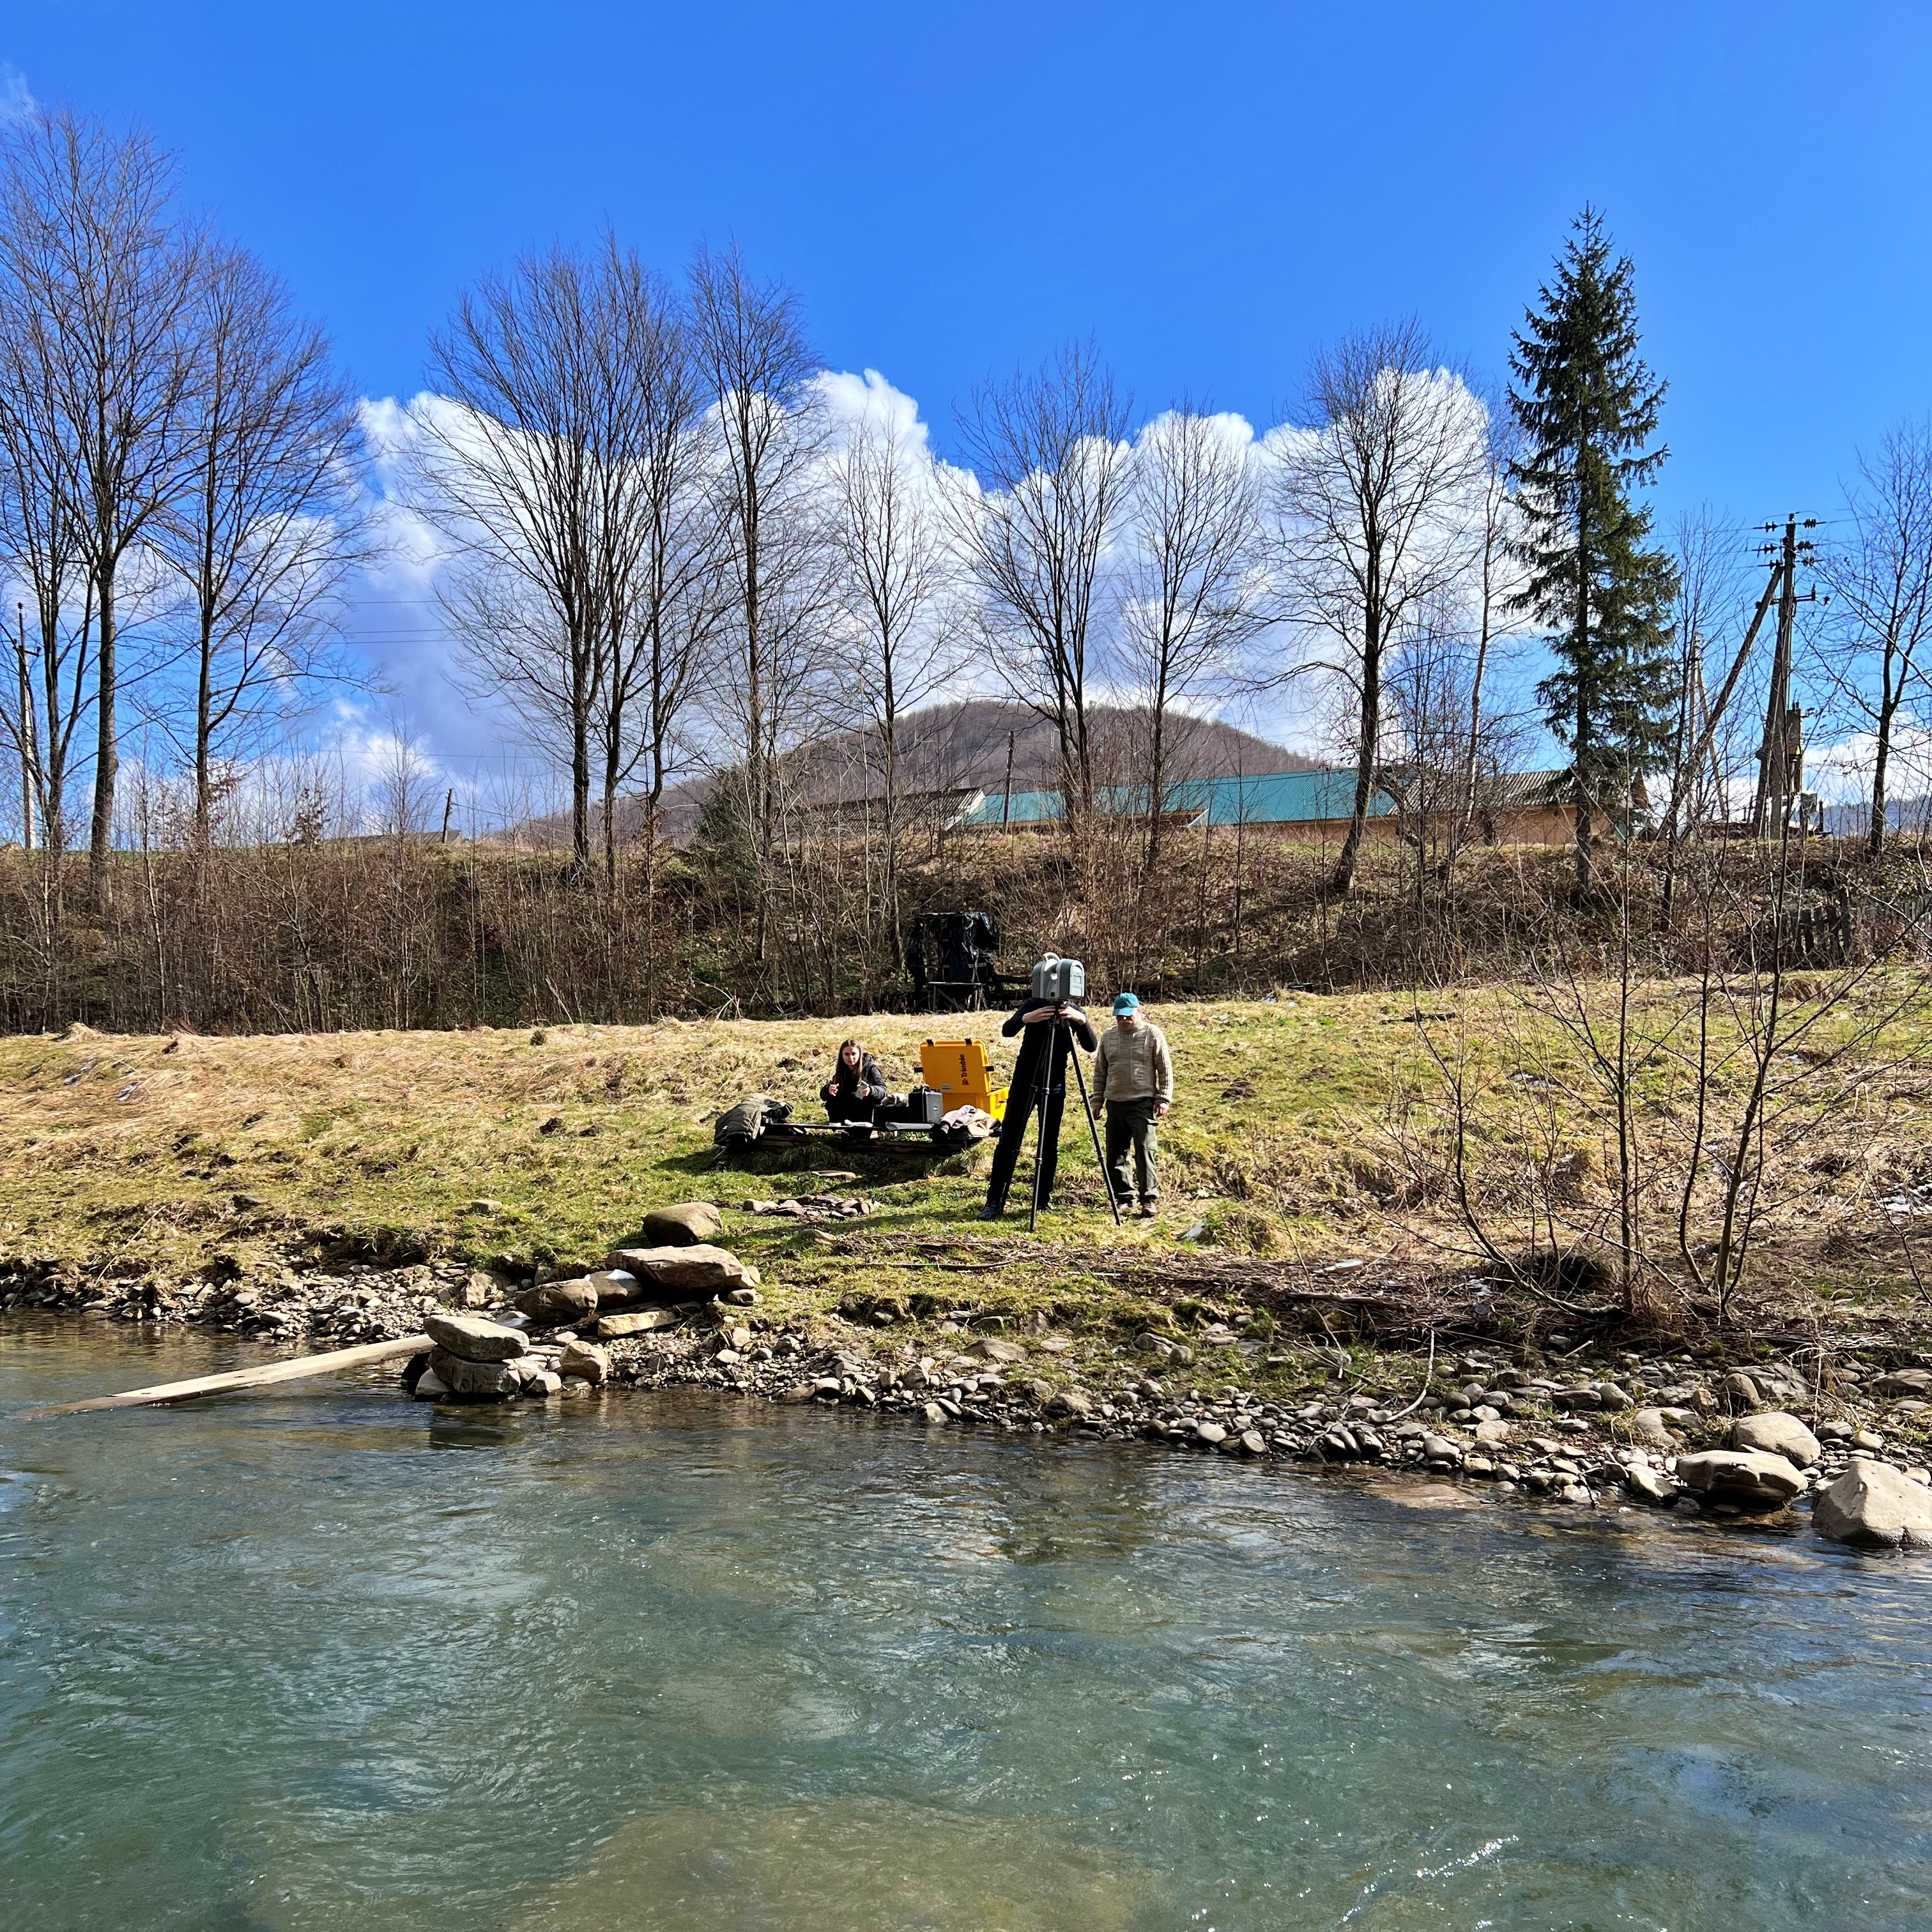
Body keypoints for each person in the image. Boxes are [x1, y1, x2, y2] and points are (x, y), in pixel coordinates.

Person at [980, 979, 1097, 1218]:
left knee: (1048, 1144)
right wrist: (1026, 1018)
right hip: (1025, 1082)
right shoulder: (1033, 1003)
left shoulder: (1072, 1009)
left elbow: (1091, 1046)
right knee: (1009, 1141)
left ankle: (1042, 1201)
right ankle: (994, 1202)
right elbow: (1007, 1030)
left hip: (1054, 1084)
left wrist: (1080, 1020)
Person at [1091, 992, 1173, 1218]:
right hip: (1115, 1103)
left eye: (1128, 1016)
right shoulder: (1108, 1037)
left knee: (1145, 1151)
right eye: (1120, 1017)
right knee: (1116, 1155)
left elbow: (1165, 1068)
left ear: (1139, 1011)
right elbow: (1101, 1071)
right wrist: (1097, 1100)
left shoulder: (1152, 1034)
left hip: (1142, 1103)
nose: (1124, 1020)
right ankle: (1125, 1198)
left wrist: (1163, 1098)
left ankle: (1149, 1199)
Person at [822, 1039, 887, 1124]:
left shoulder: (870, 1069)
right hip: (847, 1111)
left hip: (866, 1109)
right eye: (847, 1054)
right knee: (833, 1100)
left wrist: (871, 1090)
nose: (850, 1058)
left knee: (855, 1097)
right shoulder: (841, 1071)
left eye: (854, 1054)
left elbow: (883, 1090)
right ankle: (838, 1126)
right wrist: (828, 1090)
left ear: (860, 1054)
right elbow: (824, 1094)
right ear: (842, 1056)